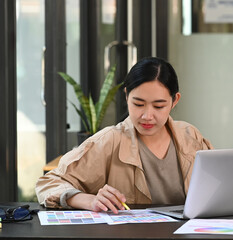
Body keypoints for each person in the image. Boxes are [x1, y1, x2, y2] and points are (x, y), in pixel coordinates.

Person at [36, 57, 213, 213]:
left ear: (175, 101)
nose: (147, 116)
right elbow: (49, 183)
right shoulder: (109, 140)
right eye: (138, 104)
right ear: (127, 96)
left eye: (158, 106)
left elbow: (219, 186)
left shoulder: (190, 136)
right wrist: (89, 200)